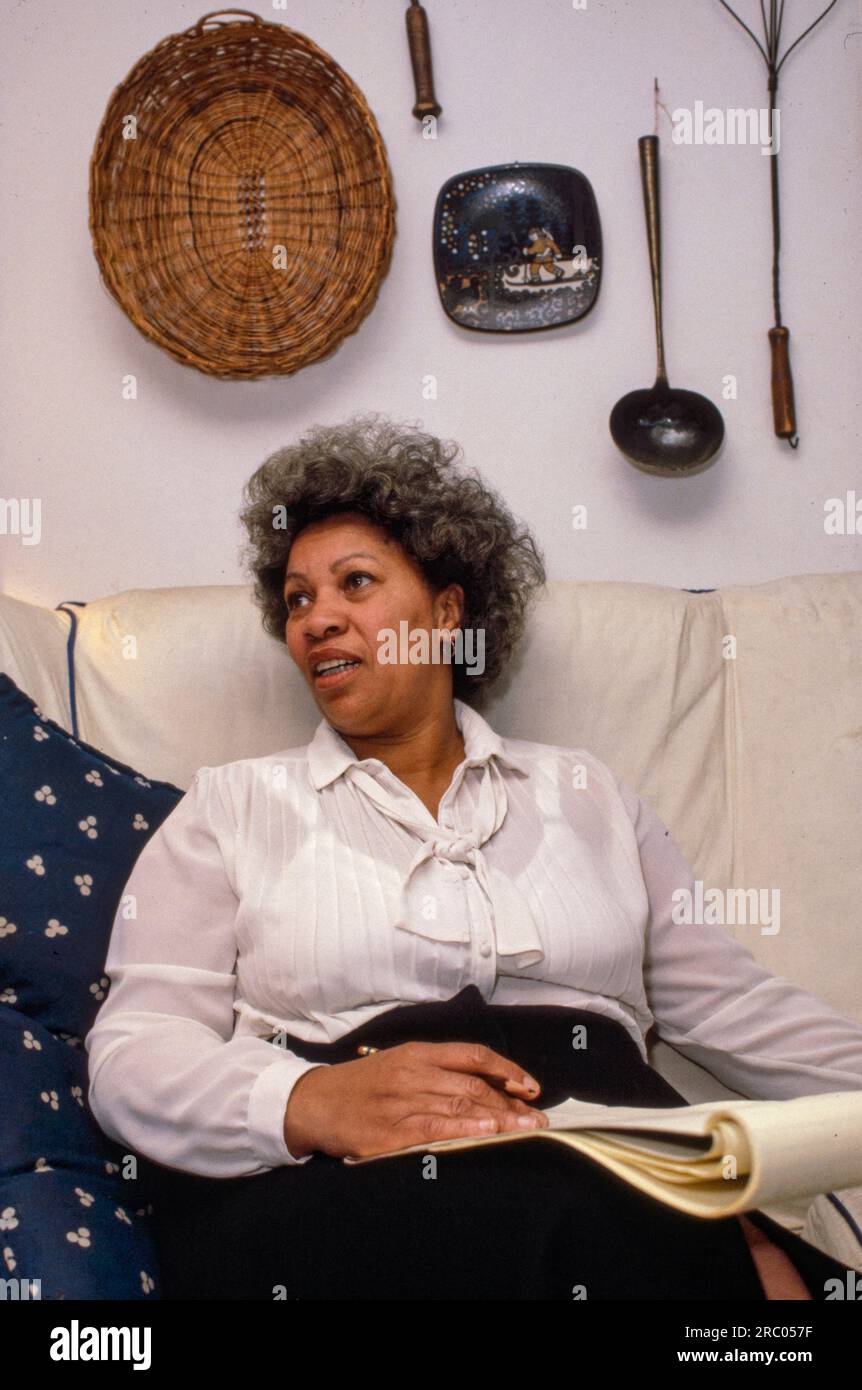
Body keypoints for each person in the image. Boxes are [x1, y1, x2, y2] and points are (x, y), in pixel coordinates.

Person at [85, 414, 862, 1300]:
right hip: (347, 1180)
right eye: (298, 600)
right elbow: (134, 1050)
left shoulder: (588, 796)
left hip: (610, 1150)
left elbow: (735, 1009)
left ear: (447, 614)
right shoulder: (230, 806)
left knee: (710, 1257)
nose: (317, 620)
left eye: (355, 583)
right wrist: (306, 1104)